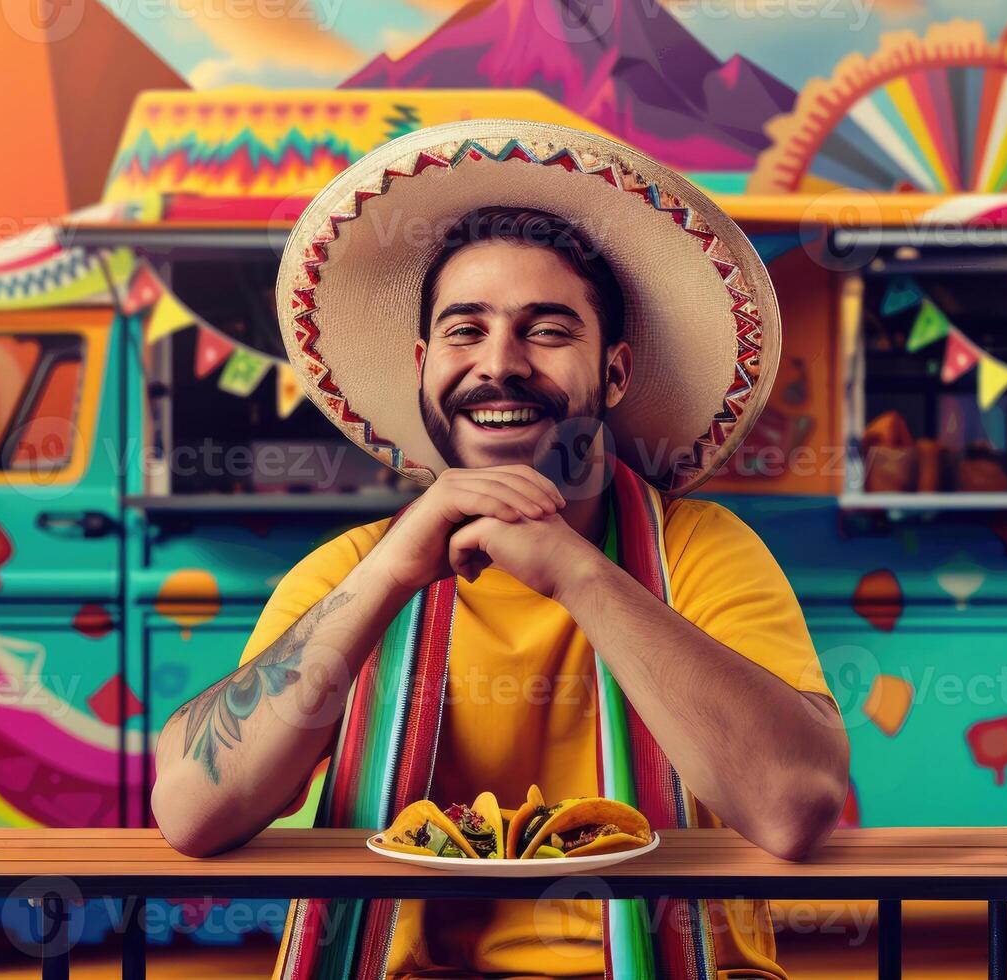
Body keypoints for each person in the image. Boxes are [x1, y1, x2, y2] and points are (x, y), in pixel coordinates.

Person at [151, 121, 850, 980]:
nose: (499, 364)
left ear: (616, 372)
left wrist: (577, 571)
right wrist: (395, 571)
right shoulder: (356, 568)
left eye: (546, 330)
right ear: (422, 364)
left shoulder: (701, 552)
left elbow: (796, 809)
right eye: (464, 330)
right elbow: (191, 811)